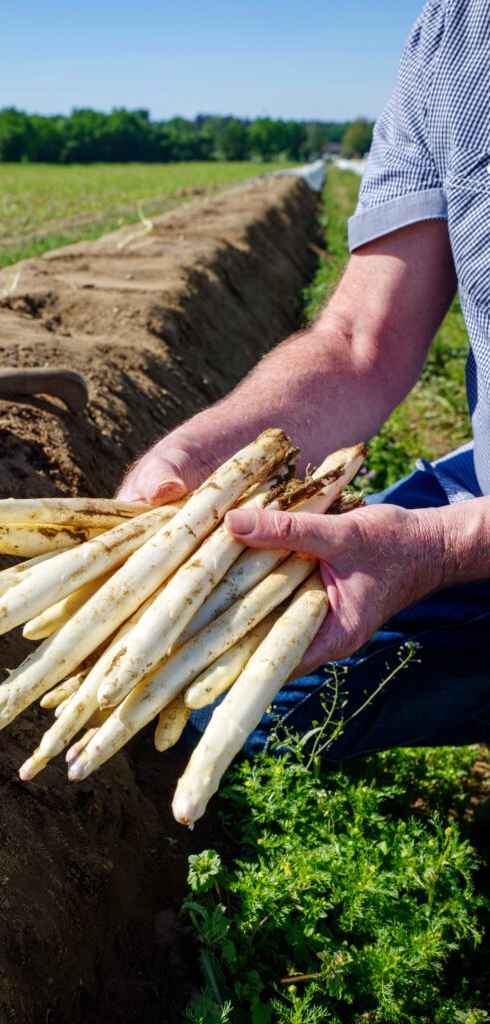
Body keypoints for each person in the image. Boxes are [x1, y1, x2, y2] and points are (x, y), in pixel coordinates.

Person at [117, 0, 490, 759]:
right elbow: (360, 339)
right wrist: (204, 453)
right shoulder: (456, 32)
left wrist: (437, 546)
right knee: (220, 700)